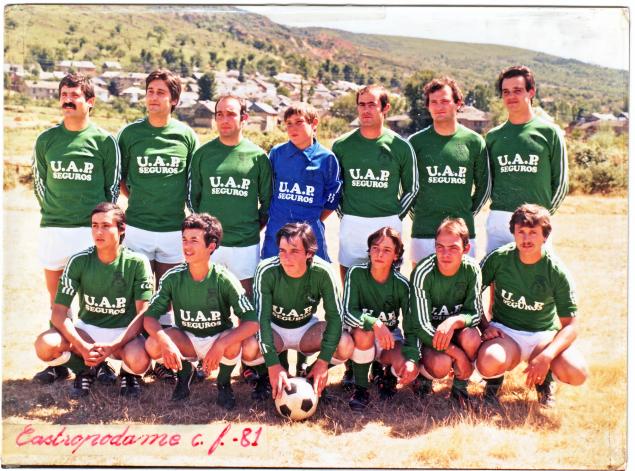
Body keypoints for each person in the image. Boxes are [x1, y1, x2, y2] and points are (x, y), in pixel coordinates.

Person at [32, 73, 120, 383]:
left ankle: (98, 361)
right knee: (58, 300)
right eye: (64, 95)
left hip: (89, 231)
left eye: (75, 95)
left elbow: (111, 190)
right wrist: (55, 211)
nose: (68, 100)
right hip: (54, 229)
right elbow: (40, 184)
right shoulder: (46, 140)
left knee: (93, 299)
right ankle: (60, 362)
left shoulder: (104, 141)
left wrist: (98, 225)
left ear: (90, 102)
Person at [33, 203, 153, 398]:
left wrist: (114, 345)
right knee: (45, 345)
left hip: (124, 333)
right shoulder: (79, 261)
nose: (98, 231)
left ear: (122, 229)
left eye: (106, 226)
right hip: (87, 331)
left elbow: (143, 314)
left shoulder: (137, 262)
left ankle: (128, 374)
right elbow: (58, 312)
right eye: (94, 225)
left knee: (139, 361)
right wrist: (82, 346)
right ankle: (85, 369)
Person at [476, 204, 588, 408]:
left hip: (542, 337)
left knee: (577, 372)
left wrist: (547, 356)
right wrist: (485, 326)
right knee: (490, 360)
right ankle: (492, 386)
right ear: (513, 233)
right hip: (506, 333)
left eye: (533, 232)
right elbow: (471, 293)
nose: (526, 238)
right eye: (521, 232)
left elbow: (571, 326)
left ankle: (545, 384)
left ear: (545, 236)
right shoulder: (499, 258)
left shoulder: (556, 270)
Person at [143, 213, 259, 409]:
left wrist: (221, 344)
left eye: (194, 240)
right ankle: (184, 373)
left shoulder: (224, 278)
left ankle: (223, 383)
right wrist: (165, 342)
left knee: (235, 340)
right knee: (153, 344)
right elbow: (149, 318)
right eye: (184, 239)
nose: (187, 246)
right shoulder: (173, 277)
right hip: (187, 339)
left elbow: (252, 322)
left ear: (211, 246)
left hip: (217, 339)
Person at [117, 69, 198, 318]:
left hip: (173, 230)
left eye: (161, 92)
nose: (153, 97)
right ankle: (135, 343)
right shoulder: (129, 134)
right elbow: (120, 178)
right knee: (135, 299)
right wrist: (139, 199)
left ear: (174, 100)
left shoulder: (186, 136)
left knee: (167, 301)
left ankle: (163, 343)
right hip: (137, 229)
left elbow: (193, 182)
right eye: (150, 91)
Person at [242, 223, 353, 401]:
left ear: (309, 253)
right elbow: (261, 320)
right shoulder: (267, 270)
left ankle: (311, 372)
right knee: (247, 345)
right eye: (282, 250)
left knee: (345, 343)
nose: (286, 258)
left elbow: (335, 318)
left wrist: (323, 361)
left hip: (306, 329)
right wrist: (273, 365)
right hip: (274, 330)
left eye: (294, 251)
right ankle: (265, 376)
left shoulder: (323, 272)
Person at [332, 84, 418, 284]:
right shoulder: (342, 145)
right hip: (352, 222)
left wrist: (396, 215)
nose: (366, 109)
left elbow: (412, 188)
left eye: (372, 104)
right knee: (351, 283)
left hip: (387, 222)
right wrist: (344, 214)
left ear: (385, 108)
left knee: (386, 285)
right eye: (361, 105)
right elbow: (333, 187)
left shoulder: (401, 146)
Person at [187, 95, 272, 299]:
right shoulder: (202, 154)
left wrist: (251, 227)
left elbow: (268, 202)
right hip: (210, 244)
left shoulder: (258, 157)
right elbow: (192, 198)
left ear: (244, 118)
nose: (224, 120)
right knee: (208, 303)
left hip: (245, 244)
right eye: (220, 114)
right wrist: (206, 230)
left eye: (231, 114)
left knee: (246, 303)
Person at [485, 66, 568, 253]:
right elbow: (488, 182)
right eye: (506, 92)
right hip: (499, 220)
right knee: (494, 271)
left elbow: (561, 183)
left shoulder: (550, 132)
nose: (511, 96)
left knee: (537, 272)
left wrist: (542, 216)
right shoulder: (493, 136)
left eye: (517, 90)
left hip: (536, 221)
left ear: (531, 92)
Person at [401, 218, 484, 406]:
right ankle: (424, 377)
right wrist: (458, 355)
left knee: (472, 337)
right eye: (440, 247)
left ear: (466, 249)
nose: (445, 254)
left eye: (453, 248)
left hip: (456, 333)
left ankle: (460, 388)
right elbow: (420, 326)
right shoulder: (424, 271)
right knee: (441, 365)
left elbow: (475, 313)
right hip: (429, 336)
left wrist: (454, 321)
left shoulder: (472, 269)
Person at [408, 76, 490, 263]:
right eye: (434, 102)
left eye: (445, 101)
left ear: (458, 103)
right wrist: (420, 214)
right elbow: (405, 187)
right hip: (424, 231)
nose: (439, 107)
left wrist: (465, 212)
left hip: (461, 233)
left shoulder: (474, 141)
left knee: (462, 282)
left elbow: (484, 188)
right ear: (428, 106)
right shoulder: (416, 142)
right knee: (420, 281)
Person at [262, 102, 342, 262]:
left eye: (299, 122)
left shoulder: (326, 158)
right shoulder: (277, 154)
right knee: (273, 272)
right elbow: (267, 190)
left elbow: (332, 197)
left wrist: (313, 218)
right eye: (289, 124)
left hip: (310, 232)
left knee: (314, 272)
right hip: (277, 230)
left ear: (314, 123)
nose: (293, 128)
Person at [343, 227, 410, 411]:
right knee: (364, 332)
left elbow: (411, 325)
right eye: (375, 248)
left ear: (396, 255)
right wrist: (375, 323)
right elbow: (347, 312)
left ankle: (387, 374)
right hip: (360, 336)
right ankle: (361, 389)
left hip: (389, 337)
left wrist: (412, 358)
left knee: (403, 363)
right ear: (369, 250)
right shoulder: (356, 273)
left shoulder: (402, 284)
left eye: (387, 250)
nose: (379, 254)